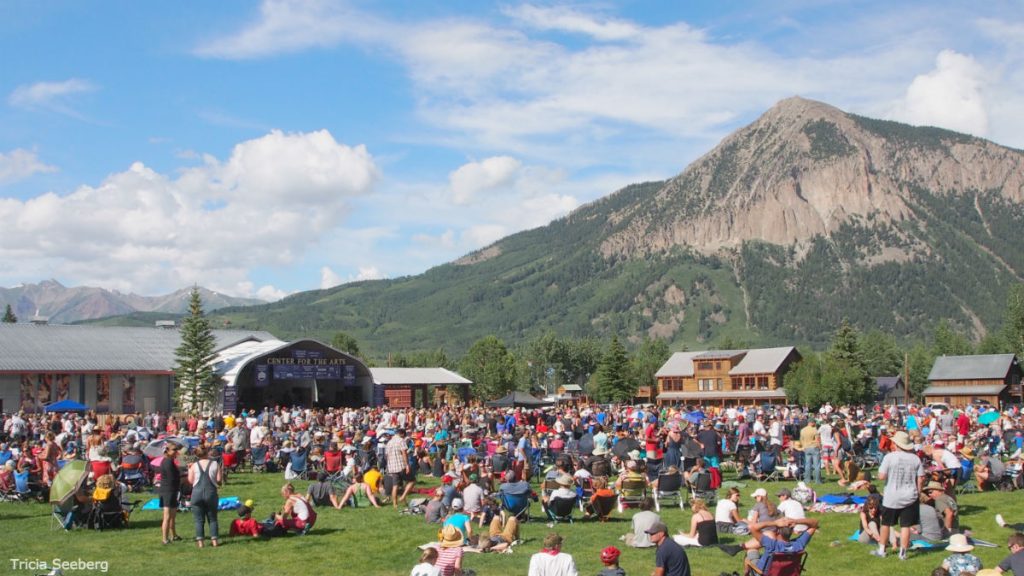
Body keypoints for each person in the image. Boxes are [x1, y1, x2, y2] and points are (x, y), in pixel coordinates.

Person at [875, 430, 925, 560]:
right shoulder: (915, 458)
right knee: (905, 526)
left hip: (892, 495)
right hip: (910, 495)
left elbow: (881, 476)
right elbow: (921, 478)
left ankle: (882, 549)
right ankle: (903, 553)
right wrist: (919, 492)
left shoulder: (889, 457)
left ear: (896, 444)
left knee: (886, 523)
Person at [744, 516, 819, 575]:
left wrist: (774, 523)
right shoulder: (799, 544)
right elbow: (815, 523)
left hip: (762, 573)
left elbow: (751, 527)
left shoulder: (771, 544)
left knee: (751, 550)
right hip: (788, 573)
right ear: (792, 531)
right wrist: (795, 521)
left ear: (778, 531)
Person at [188, 444, 222, 548]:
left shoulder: (194, 465)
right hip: (211, 492)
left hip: (197, 493)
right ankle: (215, 541)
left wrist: (189, 469)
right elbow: (219, 480)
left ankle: (200, 542)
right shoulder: (215, 464)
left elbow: (190, 481)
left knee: (199, 520)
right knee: (213, 518)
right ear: (207, 452)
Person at [158, 442, 182, 545]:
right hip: (168, 490)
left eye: (177, 449)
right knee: (167, 516)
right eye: (174, 450)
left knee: (172, 515)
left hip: (170, 490)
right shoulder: (167, 462)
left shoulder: (169, 461)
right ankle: (165, 539)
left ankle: (174, 535)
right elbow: (172, 477)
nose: (176, 451)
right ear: (167, 451)